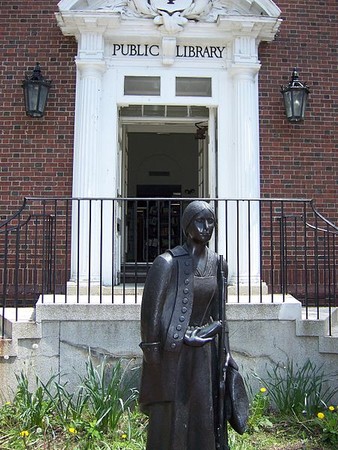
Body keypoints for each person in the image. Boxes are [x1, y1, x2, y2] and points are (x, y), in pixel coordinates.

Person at [139, 200, 238, 450]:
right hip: (175, 353)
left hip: (206, 352)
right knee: (173, 413)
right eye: (199, 221)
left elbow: (221, 315)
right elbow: (150, 314)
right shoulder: (167, 263)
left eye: (211, 222)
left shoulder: (218, 264)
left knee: (205, 411)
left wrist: (225, 352)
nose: (206, 227)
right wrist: (157, 358)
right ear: (187, 225)